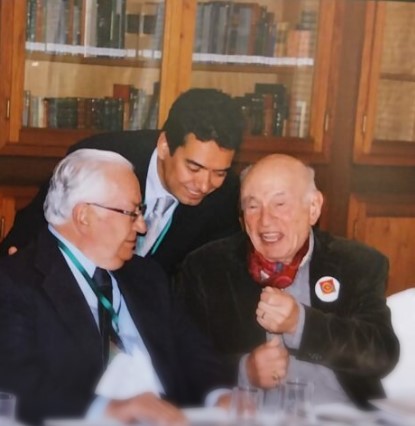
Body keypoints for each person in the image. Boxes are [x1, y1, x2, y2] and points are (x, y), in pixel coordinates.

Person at [0, 149, 228, 426]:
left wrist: (220, 396)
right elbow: (14, 385)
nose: (142, 227)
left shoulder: (147, 276)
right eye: (131, 213)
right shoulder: (14, 282)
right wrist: (109, 409)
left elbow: (194, 351)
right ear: (84, 215)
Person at [175, 153, 399, 407]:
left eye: (279, 204)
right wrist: (243, 370)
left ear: (313, 208)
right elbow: (180, 361)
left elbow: (381, 355)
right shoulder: (206, 268)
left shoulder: (355, 263)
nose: (265, 220)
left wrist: (300, 324)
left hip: (336, 414)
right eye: (253, 206)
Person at [0, 88, 244, 275]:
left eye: (219, 173)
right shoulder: (100, 159)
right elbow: (39, 222)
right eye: (194, 168)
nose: (204, 185)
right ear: (164, 145)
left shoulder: (224, 197)